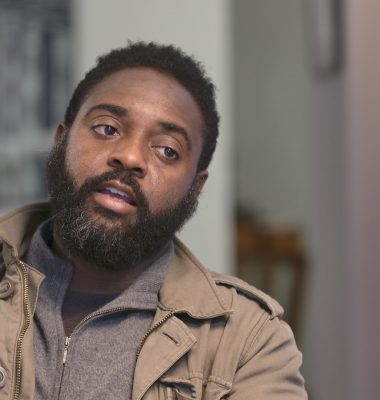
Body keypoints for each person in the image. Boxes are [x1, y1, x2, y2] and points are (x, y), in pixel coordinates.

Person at [0, 42, 307, 400]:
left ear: (195, 187)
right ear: (61, 142)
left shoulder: (247, 341)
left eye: (167, 150)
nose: (130, 157)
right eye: (107, 129)